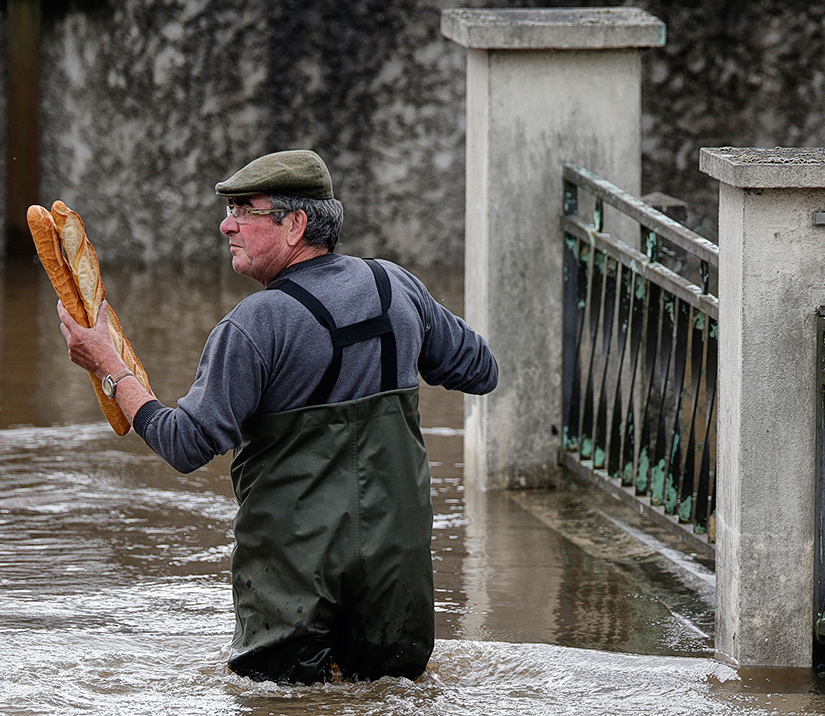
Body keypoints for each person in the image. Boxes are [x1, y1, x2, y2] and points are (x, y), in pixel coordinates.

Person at [57, 149, 498, 684]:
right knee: (390, 695)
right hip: (396, 572)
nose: (226, 225)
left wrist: (109, 369)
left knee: (283, 703)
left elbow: (185, 445)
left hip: (294, 584)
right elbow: (481, 370)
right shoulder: (396, 286)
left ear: (295, 224)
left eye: (244, 210)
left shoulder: (255, 325)